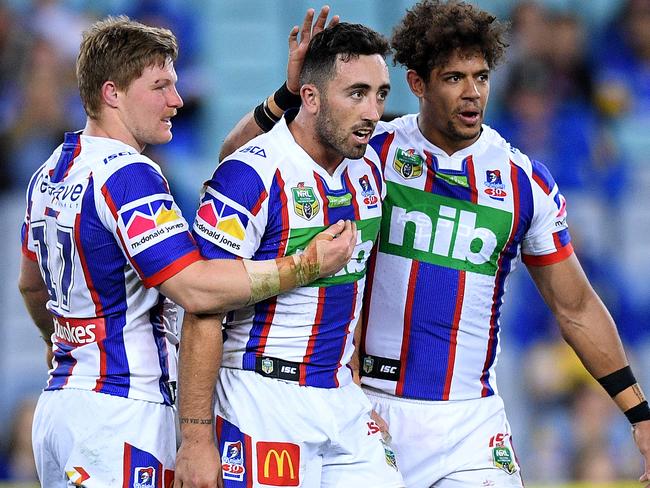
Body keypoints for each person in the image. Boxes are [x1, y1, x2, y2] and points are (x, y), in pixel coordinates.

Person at [224, 1, 650, 487]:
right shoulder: (372, 152)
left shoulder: (522, 182)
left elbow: (575, 306)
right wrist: (284, 96)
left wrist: (640, 414)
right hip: (371, 412)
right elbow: (238, 167)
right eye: (454, 78)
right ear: (417, 84)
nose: (472, 93)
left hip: (472, 422)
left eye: (482, 76)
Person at [17, 15, 356, 488]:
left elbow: (31, 285)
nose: (176, 100)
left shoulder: (52, 170)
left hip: (63, 408)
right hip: (123, 414)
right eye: (160, 86)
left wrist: (63, 346)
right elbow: (195, 289)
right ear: (112, 92)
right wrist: (305, 266)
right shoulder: (127, 174)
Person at [174, 21, 405, 488]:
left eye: (380, 94)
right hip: (263, 397)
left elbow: (354, 290)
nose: (373, 113)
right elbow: (202, 311)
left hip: (340, 399)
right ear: (311, 97)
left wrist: (354, 389)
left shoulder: (370, 170)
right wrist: (195, 438)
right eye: (356, 93)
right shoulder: (252, 175)